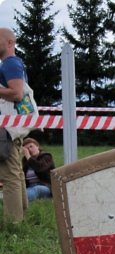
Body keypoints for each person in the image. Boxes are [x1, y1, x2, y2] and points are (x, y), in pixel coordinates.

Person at [0, 27, 28, 222]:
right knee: (16, 172)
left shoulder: (10, 63)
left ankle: (14, 223)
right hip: (13, 126)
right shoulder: (13, 63)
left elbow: (16, 93)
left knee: (9, 175)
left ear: (10, 43)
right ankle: (22, 215)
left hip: (6, 128)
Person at [22, 137, 55, 201]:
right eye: (27, 149)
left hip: (45, 186)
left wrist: (28, 157)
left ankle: (22, 202)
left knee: (37, 189)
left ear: (37, 146)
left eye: (31, 146)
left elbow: (39, 168)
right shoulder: (25, 160)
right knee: (19, 191)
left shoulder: (47, 157)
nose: (30, 150)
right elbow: (22, 175)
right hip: (30, 187)